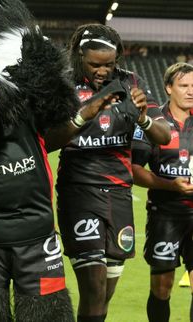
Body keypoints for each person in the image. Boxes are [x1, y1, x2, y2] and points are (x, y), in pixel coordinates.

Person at [46, 23, 171, 322]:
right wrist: (83, 115)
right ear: (79, 57)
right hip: (79, 191)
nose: (102, 71)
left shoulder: (131, 82)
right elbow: (47, 140)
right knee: (94, 285)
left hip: (119, 194)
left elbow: (164, 136)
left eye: (108, 65)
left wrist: (142, 118)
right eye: (94, 64)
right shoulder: (64, 85)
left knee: (103, 294)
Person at [131, 62, 193, 322]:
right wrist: (169, 185)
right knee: (162, 288)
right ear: (168, 88)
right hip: (165, 215)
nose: (191, 91)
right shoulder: (154, 124)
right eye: (184, 85)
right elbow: (133, 169)